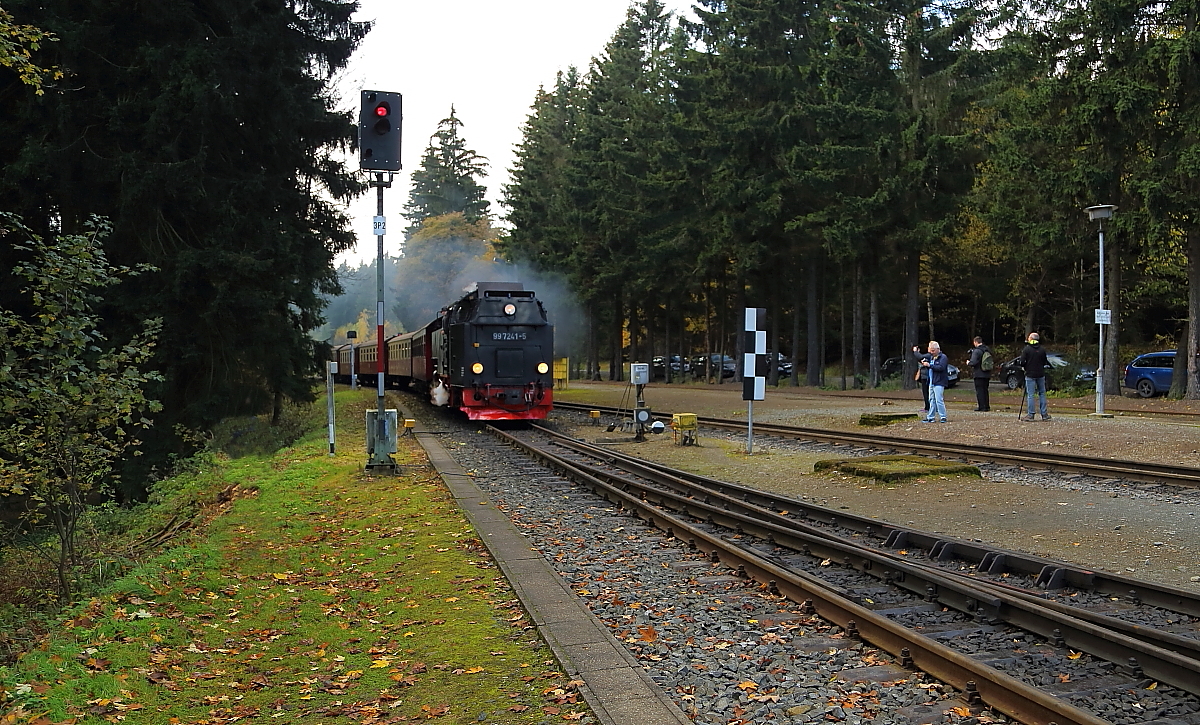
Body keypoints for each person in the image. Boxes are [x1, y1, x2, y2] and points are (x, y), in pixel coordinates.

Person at [1019, 332, 1050, 421]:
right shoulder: (1042, 349)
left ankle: (1031, 414)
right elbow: (1045, 361)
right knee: (1042, 393)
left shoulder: (1027, 349)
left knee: (1031, 394)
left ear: (1031, 339)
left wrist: (1025, 367)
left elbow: (1022, 362)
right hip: (1040, 373)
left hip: (1030, 374)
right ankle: (1044, 414)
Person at [920, 341, 949, 423]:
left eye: (933, 350)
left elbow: (941, 368)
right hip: (931, 382)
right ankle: (930, 417)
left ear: (938, 349)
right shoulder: (931, 357)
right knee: (931, 400)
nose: (931, 352)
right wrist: (925, 363)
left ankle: (943, 416)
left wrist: (930, 365)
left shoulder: (943, 357)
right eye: (930, 350)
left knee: (939, 400)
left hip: (939, 381)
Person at [966, 336, 992, 412]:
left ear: (975, 342)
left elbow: (973, 362)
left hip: (979, 374)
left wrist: (968, 362)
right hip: (987, 373)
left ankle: (982, 406)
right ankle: (987, 406)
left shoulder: (977, 351)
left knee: (980, 391)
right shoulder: (987, 349)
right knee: (985, 390)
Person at [912, 345, 931, 413]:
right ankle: (928, 407)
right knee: (926, 392)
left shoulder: (929, 355)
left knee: (926, 392)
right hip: (924, 376)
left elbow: (920, 357)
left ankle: (928, 407)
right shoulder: (927, 356)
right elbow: (920, 357)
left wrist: (915, 351)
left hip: (926, 377)